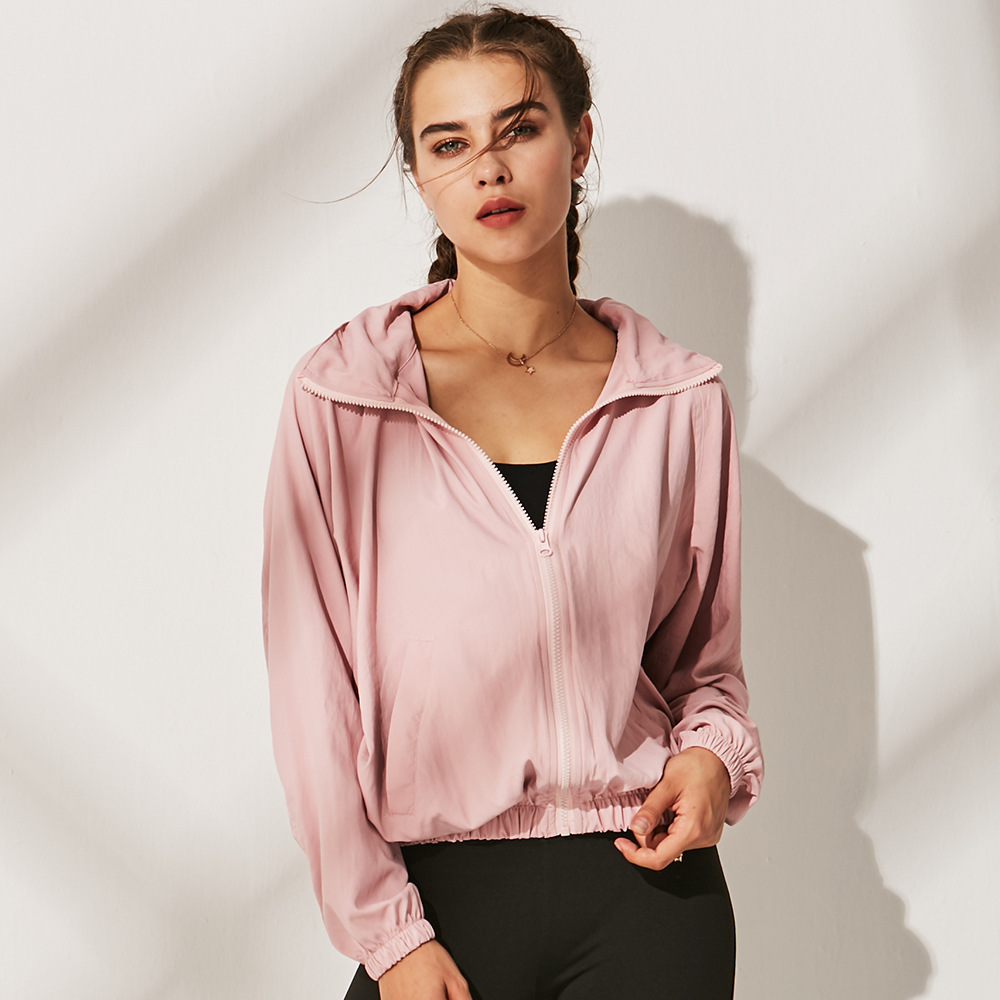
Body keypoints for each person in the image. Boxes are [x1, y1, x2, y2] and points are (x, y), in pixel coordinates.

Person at [262, 6, 763, 999]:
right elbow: (312, 698)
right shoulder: (346, 398)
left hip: (647, 898)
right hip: (436, 907)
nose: (487, 169)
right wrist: (388, 936)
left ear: (579, 142)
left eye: (519, 129)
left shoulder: (676, 398)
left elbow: (705, 671)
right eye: (449, 144)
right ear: (419, 175)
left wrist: (711, 761)